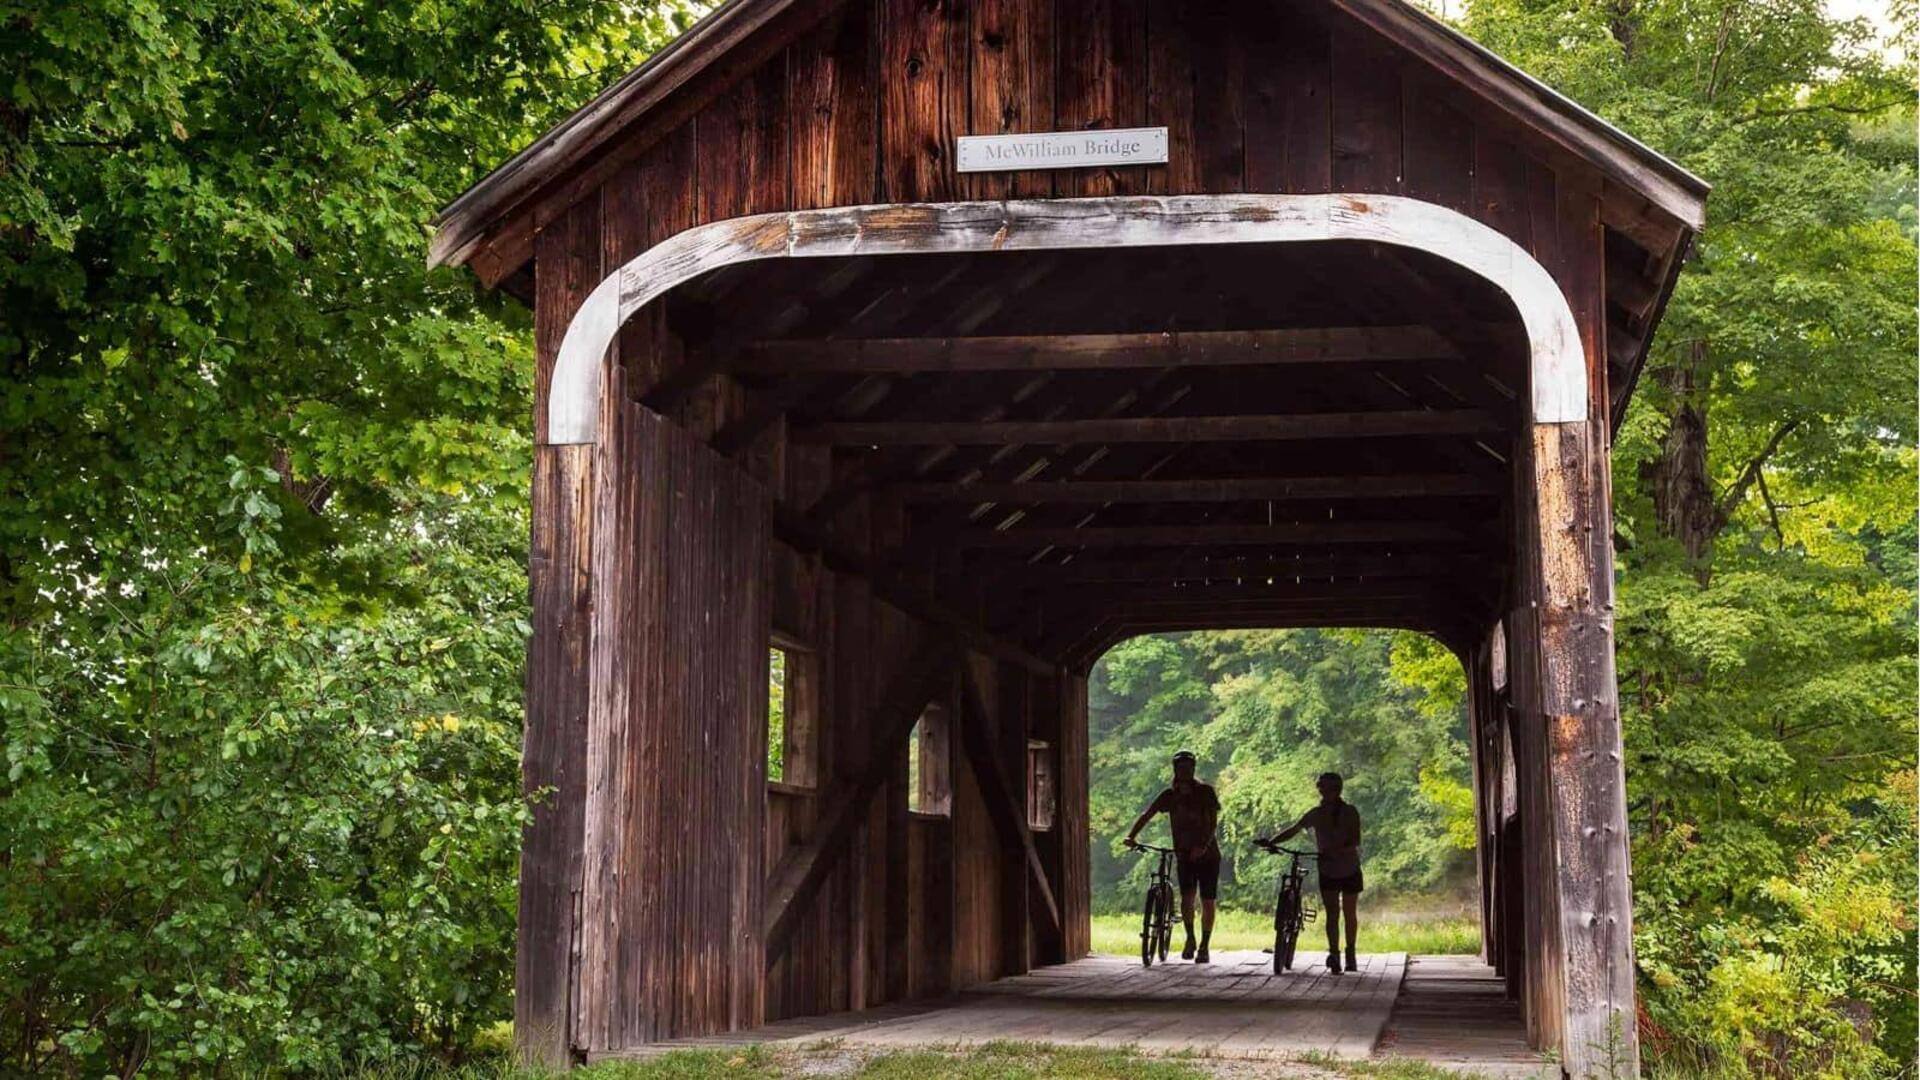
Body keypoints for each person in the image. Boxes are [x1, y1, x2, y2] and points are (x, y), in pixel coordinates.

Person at [1123, 750, 1221, 963]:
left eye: (1188, 767)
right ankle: (1190, 938)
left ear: (1193, 769)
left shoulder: (1205, 792)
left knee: (1207, 900)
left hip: (1208, 856)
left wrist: (1202, 846)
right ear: (1175, 770)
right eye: (1180, 768)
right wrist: (1131, 836)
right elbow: (1147, 814)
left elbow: (1213, 823)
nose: (1184, 771)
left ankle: (1204, 946)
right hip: (1184, 854)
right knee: (1187, 897)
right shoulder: (1170, 795)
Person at [1264, 771, 1363, 974]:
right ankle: (1335, 954)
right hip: (1330, 868)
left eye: (1325, 788)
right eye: (1321, 788)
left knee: (1348, 913)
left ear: (1335, 790)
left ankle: (1350, 953)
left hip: (1347, 867)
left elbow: (1355, 841)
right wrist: (1272, 841)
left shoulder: (1349, 812)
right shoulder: (1316, 814)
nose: (1323, 792)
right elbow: (1294, 829)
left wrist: (1335, 851)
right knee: (1334, 914)